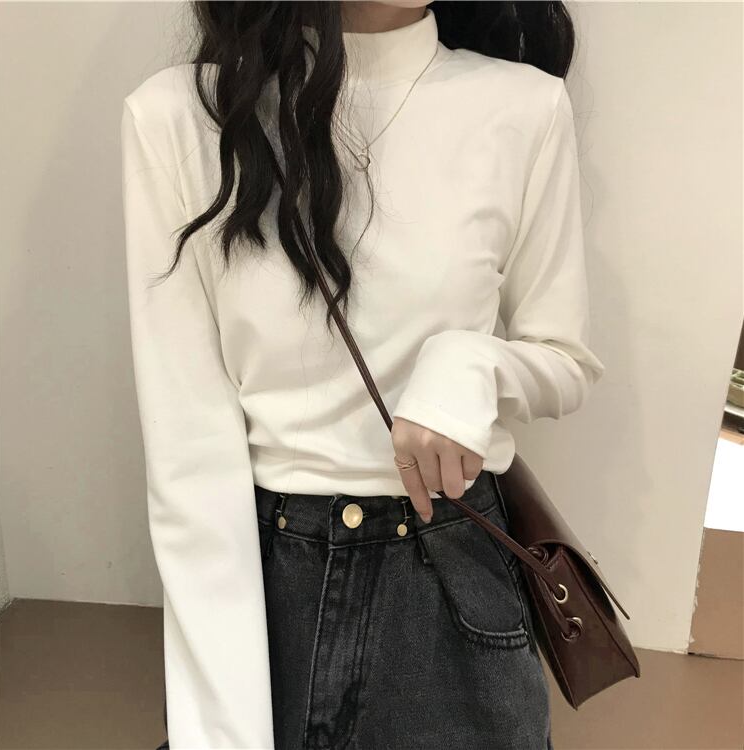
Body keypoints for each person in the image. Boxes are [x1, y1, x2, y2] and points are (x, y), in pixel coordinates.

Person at [120, 2, 606, 748]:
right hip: (264, 589)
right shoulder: (180, 117)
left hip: (452, 578)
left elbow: (564, 359)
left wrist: (472, 364)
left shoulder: (524, 107)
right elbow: (187, 451)